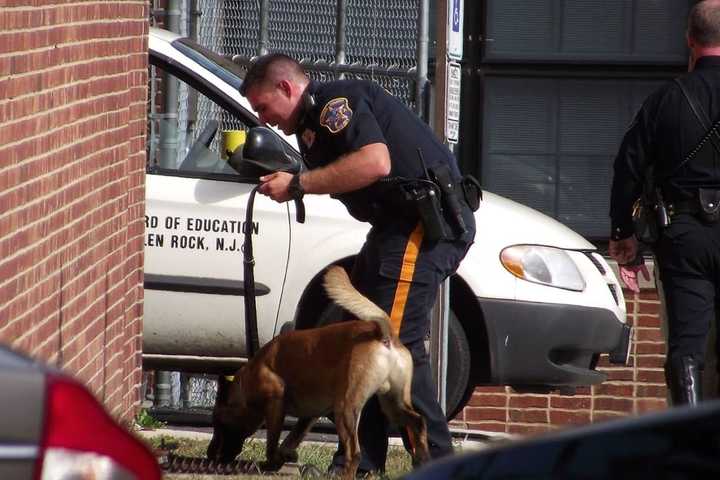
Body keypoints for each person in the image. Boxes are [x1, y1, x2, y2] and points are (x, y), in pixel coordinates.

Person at [239, 54, 477, 473]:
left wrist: (298, 184)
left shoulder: (336, 104)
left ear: (286, 89)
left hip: (424, 225)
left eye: (263, 108)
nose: (265, 119)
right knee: (359, 340)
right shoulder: (311, 127)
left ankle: (439, 465)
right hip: (393, 229)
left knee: (392, 339)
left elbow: (375, 162)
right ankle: (363, 460)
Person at [609, 0, 720, 407]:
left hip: (684, 234)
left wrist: (623, 234)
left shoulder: (664, 100)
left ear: (690, 40)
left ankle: (689, 441)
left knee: (686, 348)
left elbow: (628, 168)